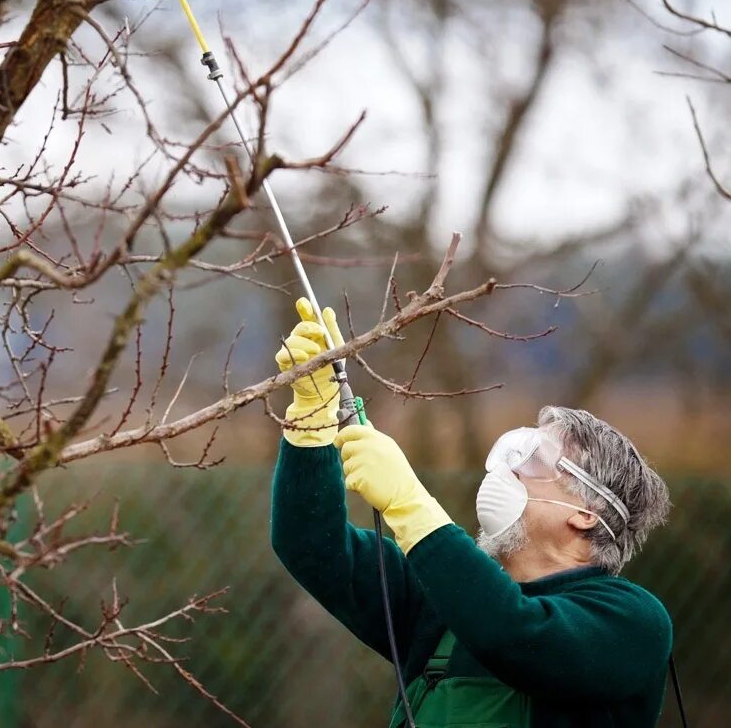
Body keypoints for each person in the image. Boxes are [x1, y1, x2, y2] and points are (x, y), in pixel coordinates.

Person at [270, 298, 673, 728]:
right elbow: (310, 545)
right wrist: (311, 424)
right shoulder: (436, 598)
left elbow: (514, 636)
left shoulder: (632, 620)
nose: (505, 470)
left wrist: (410, 504)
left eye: (532, 461)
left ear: (587, 512)